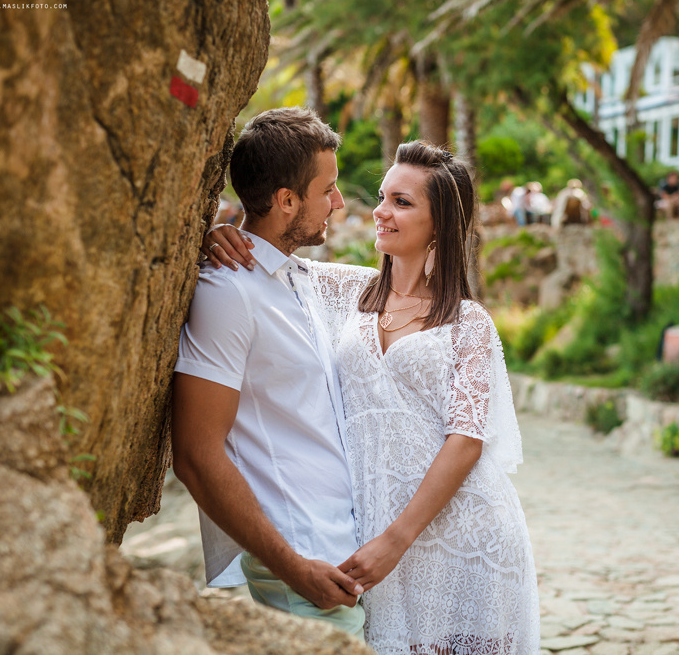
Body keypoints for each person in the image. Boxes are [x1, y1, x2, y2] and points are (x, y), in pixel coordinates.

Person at [206, 141, 540, 653]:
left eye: (401, 202)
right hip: (371, 536)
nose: (380, 211)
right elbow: (268, 258)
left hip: (462, 536)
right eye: (383, 196)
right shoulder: (346, 291)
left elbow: (467, 440)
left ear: (440, 224)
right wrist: (222, 235)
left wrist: (395, 540)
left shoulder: (467, 322)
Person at [172, 106, 368, 637]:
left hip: (343, 554)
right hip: (305, 569)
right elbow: (195, 454)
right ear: (286, 201)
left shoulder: (297, 278)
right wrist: (294, 568)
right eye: (328, 189)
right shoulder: (227, 292)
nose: (339, 202)